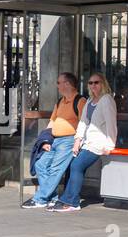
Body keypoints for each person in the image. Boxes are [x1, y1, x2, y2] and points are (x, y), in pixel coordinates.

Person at [50, 73, 117, 213]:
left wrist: (110, 144)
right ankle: (66, 199)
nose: (93, 85)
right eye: (91, 83)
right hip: (87, 141)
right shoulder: (90, 100)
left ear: (103, 83)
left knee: (77, 165)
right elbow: (83, 122)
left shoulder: (107, 100)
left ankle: (72, 201)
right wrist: (77, 140)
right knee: (74, 167)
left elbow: (111, 123)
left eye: (97, 82)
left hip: (98, 143)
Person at [21, 73, 86, 210]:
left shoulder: (80, 101)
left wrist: (77, 142)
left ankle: (40, 198)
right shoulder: (60, 101)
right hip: (55, 140)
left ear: (67, 84)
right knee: (40, 164)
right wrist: (46, 141)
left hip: (69, 140)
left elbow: (83, 123)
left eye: (59, 82)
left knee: (56, 169)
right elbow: (52, 122)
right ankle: (51, 197)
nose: (57, 86)